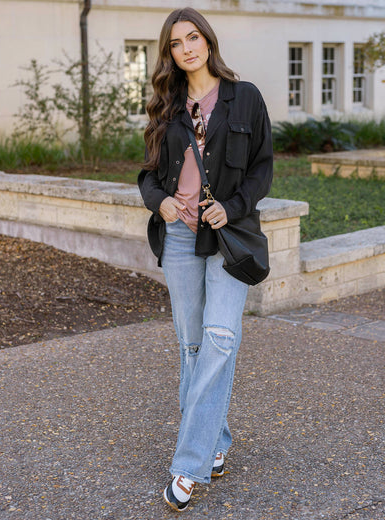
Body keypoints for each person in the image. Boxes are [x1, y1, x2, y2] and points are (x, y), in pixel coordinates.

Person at [138, 7, 273, 512]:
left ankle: (188, 464)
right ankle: (215, 442)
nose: (187, 47)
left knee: (220, 339)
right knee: (193, 348)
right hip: (178, 239)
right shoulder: (165, 107)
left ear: (207, 40)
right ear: (169, 52)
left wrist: (232, 206)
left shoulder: (247, 97)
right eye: (176, 43)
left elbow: (262, 170)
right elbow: (148, 177)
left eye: (193, 37)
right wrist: (162, 202)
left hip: (230, 236)